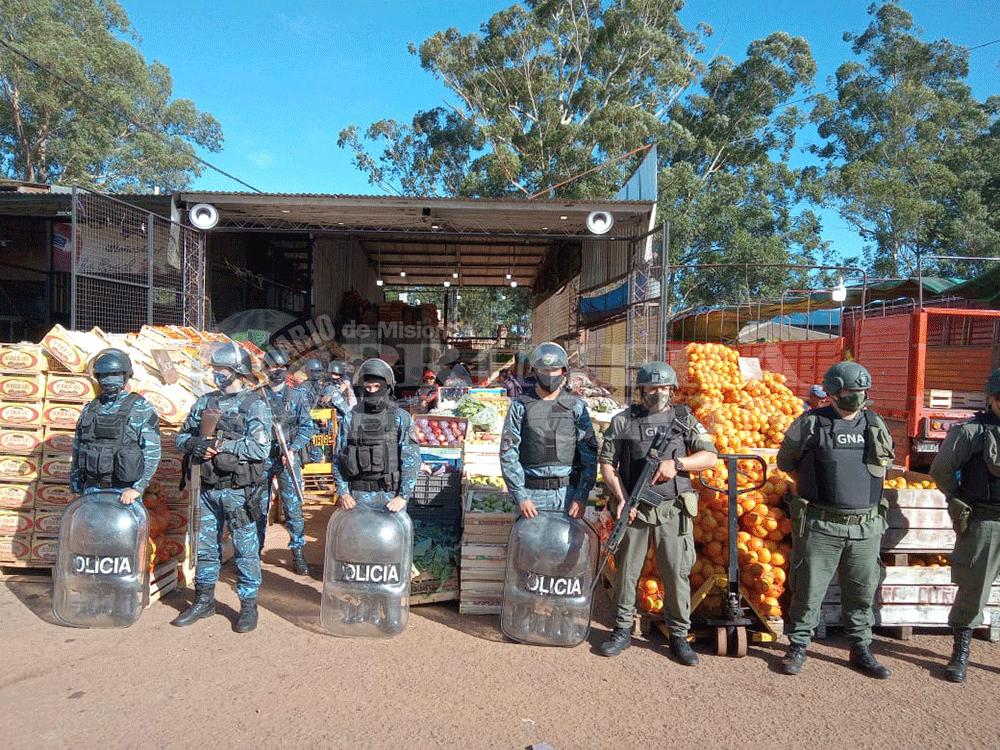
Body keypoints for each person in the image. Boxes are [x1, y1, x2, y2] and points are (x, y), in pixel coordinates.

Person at [777, 361, 895, 678]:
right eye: (848, 391)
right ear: (832, 392)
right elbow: (785, 461)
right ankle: (798, 646)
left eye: (860, 391)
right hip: (821, 525)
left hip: (865, 526)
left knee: (860, 593)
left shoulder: (875, 423)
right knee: (808, 590)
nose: (855, 396)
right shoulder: (810, 423)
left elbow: (886, 462)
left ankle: (860, 649)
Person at [597, 362, 718, 664]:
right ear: (641, 390)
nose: (658, 393)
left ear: (672, 390)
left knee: (676, 573)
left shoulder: (683, 419)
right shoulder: (623, 420)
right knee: (626, 572)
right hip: (634, 508)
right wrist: (621, 497)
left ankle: (679, 634)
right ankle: (622, 629)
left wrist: (676, 465)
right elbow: (607, 464)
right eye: (652, 388)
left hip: (672, 510)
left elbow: (709, 456)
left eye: (664, 388)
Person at [172, 342, 273, 633]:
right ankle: (204, 601)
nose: (216, 374)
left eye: (221, 370)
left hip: (239, 491)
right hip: (206, 488)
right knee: (204, 547)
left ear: (237, 371)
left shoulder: (254, 405)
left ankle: (248, 606)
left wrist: (221, 445)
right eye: (215, 369)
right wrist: (196, 444)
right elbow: (181, 438)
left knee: (245, 549)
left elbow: (260, 448)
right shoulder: (204, 402)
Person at [929, 368, 1000, 683]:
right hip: (986, 521)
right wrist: (958, 500)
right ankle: (961, 653)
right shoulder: (972, 432)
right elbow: (942, 470)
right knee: (974, 588)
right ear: (992, 398)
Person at [499, 342, 598, 521]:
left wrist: (581, 495)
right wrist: (520, 496)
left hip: (567, 496)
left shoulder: (576, 407)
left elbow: (589, 454)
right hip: (531, 496)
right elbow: (508, 453)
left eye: (555, 370)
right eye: (544, 370)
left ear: (563, 372)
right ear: (535, 372)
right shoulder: (519, 406)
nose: (550, 375)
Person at [71, 348, 161, 505]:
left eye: (115, 374)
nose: (108, 379)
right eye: (103, 375)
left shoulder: (140, 408)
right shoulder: (90, 409)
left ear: (125, 376)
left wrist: (138, 488)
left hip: (124, 492)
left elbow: (152, 451)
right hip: (91, 490)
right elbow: (78, 448)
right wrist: (76, 487)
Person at [333, 358, 420, 515]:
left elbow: (411, 460)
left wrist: (403, 496)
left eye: (376, 386)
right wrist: (343, 492)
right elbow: (338, 457)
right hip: (356, 499)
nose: (372, 391)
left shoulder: (401, 418)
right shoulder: (350, 418)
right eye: (368, 387)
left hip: (391, 499)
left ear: (387, 386)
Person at [260, 348, 315, 576]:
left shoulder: (297, 396)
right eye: (274, 367)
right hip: (262, 458)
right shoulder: (257, 396)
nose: (279, 371)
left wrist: (292, 449)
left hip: (287, 458)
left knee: (293, 508)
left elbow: (307, 427)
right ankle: (254, 552)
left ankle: (298, 553)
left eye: (283, 367)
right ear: (265, 369)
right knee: (258, 507)